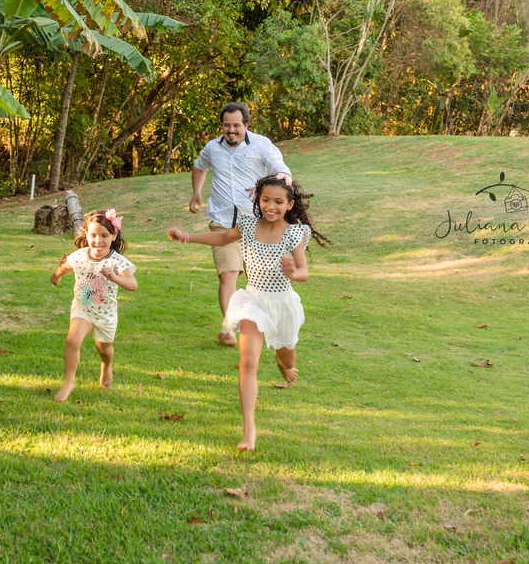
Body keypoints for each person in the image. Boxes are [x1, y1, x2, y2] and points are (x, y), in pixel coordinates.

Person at [168, 175, 328, 451]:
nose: (270, 206)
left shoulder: (293, 234)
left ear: (289, 205)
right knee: (248, 361)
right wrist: (186, 237)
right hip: (253, 301)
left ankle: (285, 366)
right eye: (265, 200)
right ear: (258, 200)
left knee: (286, 357)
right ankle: (249, 428)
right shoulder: (248, 224)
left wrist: (293, 272)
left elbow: (304, 272)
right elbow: (222, 237)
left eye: (278, 202)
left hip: (282, 304)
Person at [190, 102, 292, 346]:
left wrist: (265, 185)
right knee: (228, 275)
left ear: (246, 125)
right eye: (227, 125)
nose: (231, 130)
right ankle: (229, 329)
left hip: (257, 224)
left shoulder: (262, 145)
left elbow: (283, 174)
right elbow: (199, 166)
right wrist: (196, 193)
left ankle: (264, 325)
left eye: (236, 125)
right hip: (223, 222)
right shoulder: (212, 147)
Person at [50, 209, 137, 402]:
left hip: (105, 314)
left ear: (114, 236)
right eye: (93, 235)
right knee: (72, 340)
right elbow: (66, 265)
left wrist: (114, 277)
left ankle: (106, 366)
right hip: (83, 308)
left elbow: (133, 285)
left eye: (104, 236)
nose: (98, 241)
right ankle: (69, 381)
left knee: (104, 349)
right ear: (87, 236)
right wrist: (56, 275)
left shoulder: (116, 261)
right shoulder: (81, 256)